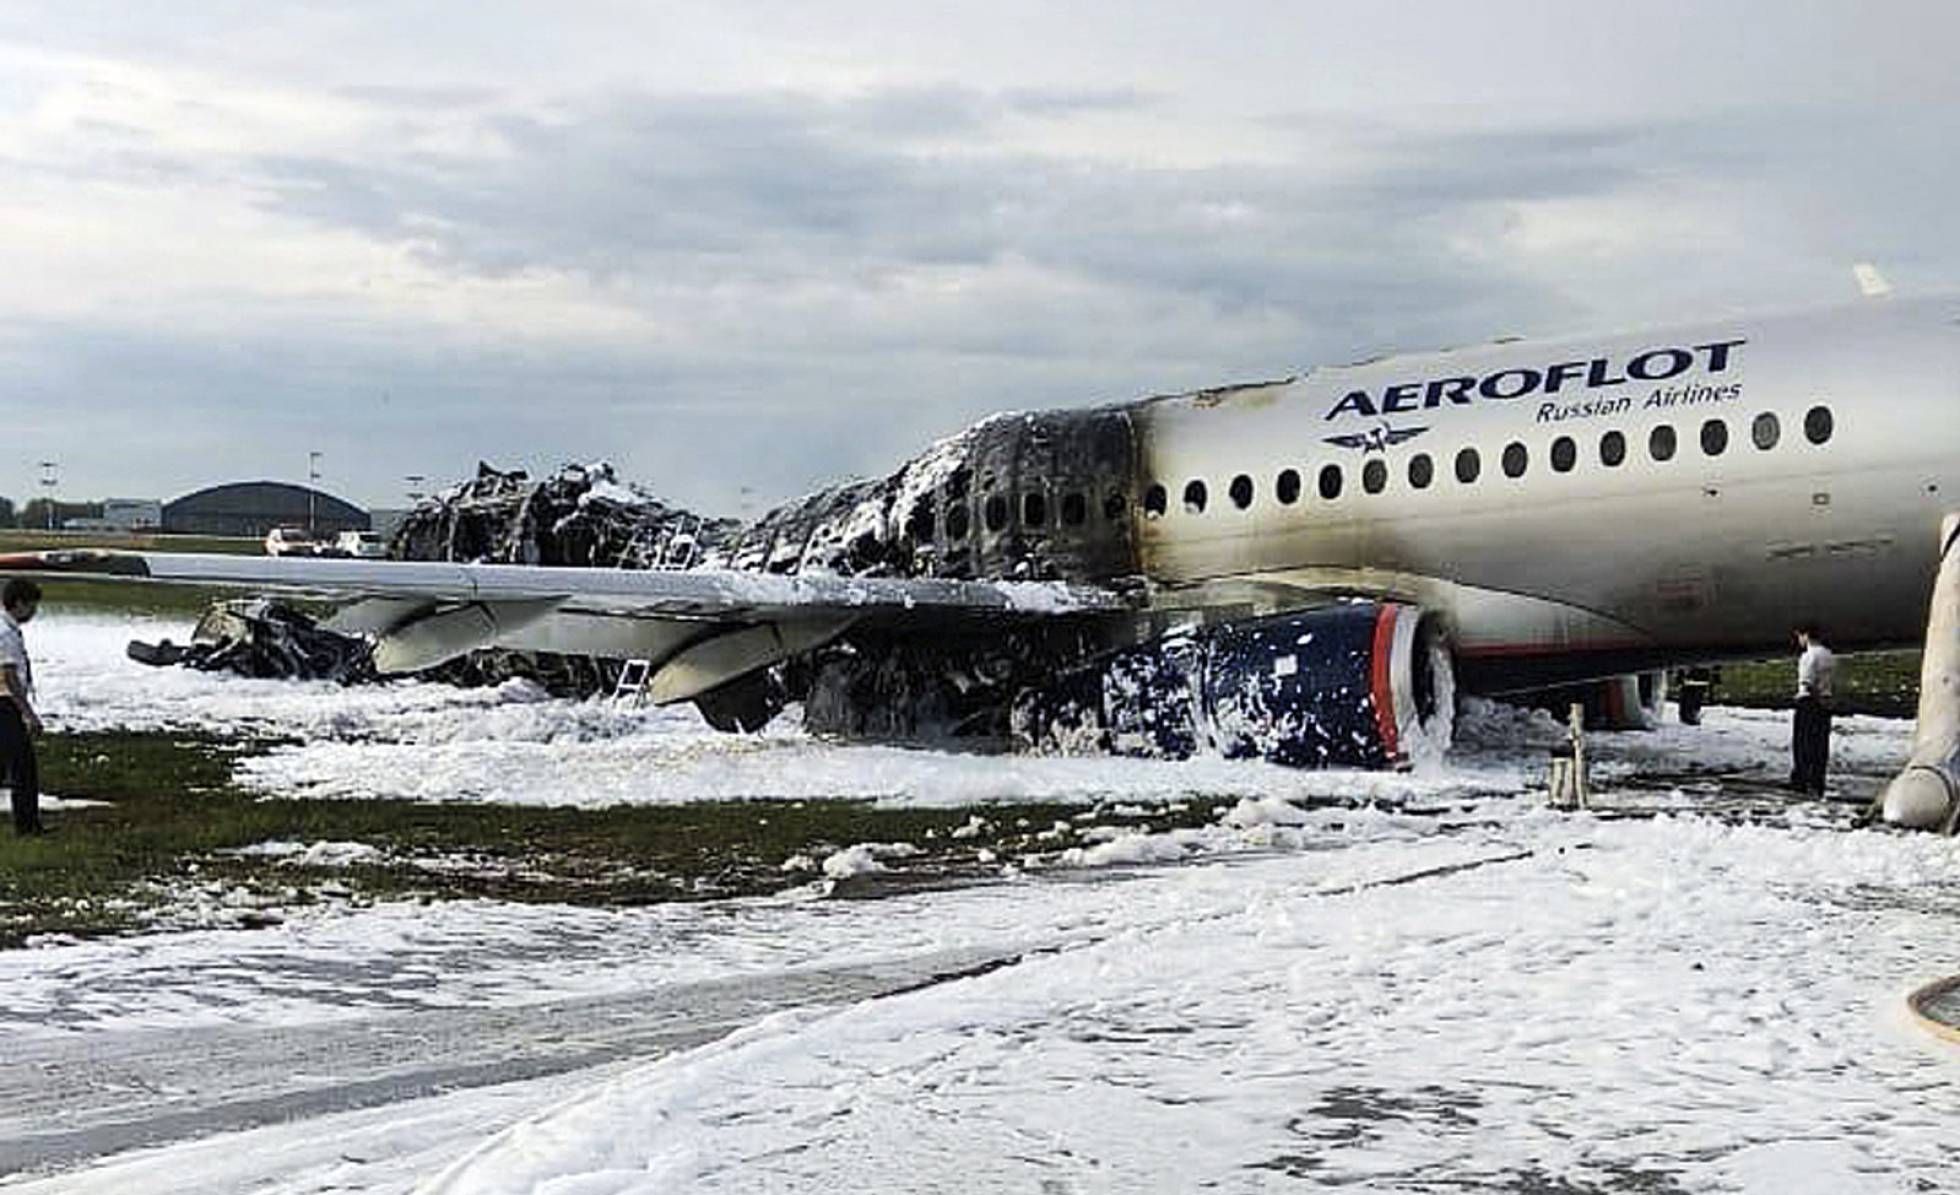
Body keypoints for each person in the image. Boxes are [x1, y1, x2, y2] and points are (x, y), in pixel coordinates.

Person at [0, 578, 44, 836]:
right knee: (23, 767)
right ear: (19, 604)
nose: (33, 613)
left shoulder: (6, 627)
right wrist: (28, 713)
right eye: (32, 607)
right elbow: (9, 676)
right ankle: (27, 826)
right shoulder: (6, 633)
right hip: (5, 704)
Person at [1790, 623, 1836, 796]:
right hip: (1826, 701)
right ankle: (1818, 780)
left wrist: (1817, 699)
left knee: (1803, 744)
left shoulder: (1809, 656)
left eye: (1800, 636)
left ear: (1806, 636)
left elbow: (1808, 683)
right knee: (1820, 745)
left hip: (1809, 702)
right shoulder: (1829, 655)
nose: (1799, 640)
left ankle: (1801, 780)